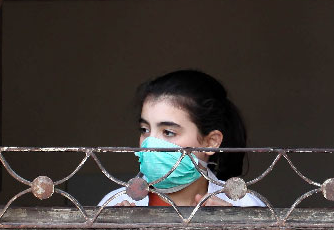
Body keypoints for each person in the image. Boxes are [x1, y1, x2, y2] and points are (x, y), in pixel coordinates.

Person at [99, 69, 266, 208]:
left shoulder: (246, 208)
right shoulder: (113, 205)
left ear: (211, 141)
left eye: (169, 132)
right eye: (145, 129)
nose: (150, 144)